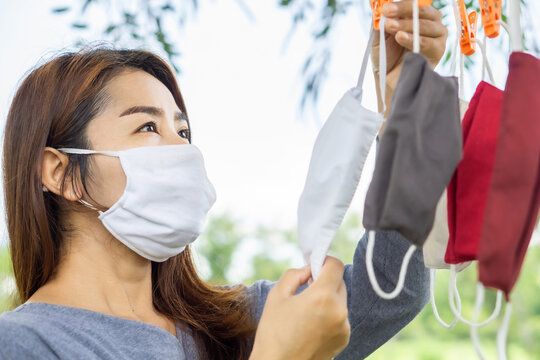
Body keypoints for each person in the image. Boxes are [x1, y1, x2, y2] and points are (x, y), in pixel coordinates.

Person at [0, 1, 447, 359]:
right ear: (60, 172)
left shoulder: (235, 322)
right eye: (147, 127)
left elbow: (390, 288)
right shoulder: (25, 344)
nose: (183, 151)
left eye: (183, 131)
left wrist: (404, 104)